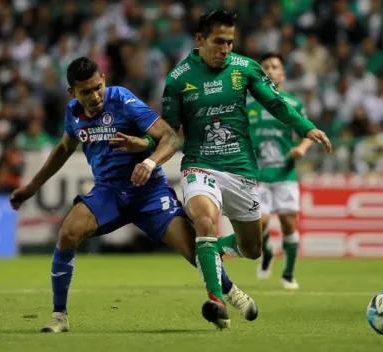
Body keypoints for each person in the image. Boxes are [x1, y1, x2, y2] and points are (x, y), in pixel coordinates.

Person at [113, 9, 332, 329]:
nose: (225, 48)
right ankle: (216, 300)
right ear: (200, 39)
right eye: (219, 41)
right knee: (205, 219)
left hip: (241, 170)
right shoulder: (179, 79)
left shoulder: (245, 68)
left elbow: (276, 103)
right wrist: (147, 149)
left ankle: (210, 249)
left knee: (253, 249)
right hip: (200, 165)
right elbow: (171, 134)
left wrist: (306, 127)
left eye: (230, 42)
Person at [9, 57, 257, 333]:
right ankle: (59, 316)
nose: (94, 96)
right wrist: (32, 187)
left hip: (149, 192)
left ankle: (231, 292)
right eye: (86, 92)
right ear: (72, 93)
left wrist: (147, 158)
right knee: (68, 232)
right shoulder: (72, 113)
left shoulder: (123, 100)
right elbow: (64, 149)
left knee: (193, 250)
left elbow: (171, 138)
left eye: (97, 88)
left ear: (103, 79)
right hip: (110, 192)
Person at [247, 53, 312, 290]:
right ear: (261, 74)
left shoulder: (293, 104)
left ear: (282, 74)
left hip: (285, 173)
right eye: (266, 67)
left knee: (288, 225)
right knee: (260, 224)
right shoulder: (247, 105)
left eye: (275, 66)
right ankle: (267, 253)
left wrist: (301, 149)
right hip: (258, 175)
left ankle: (288, 274)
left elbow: (308, 133)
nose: (271, 70)